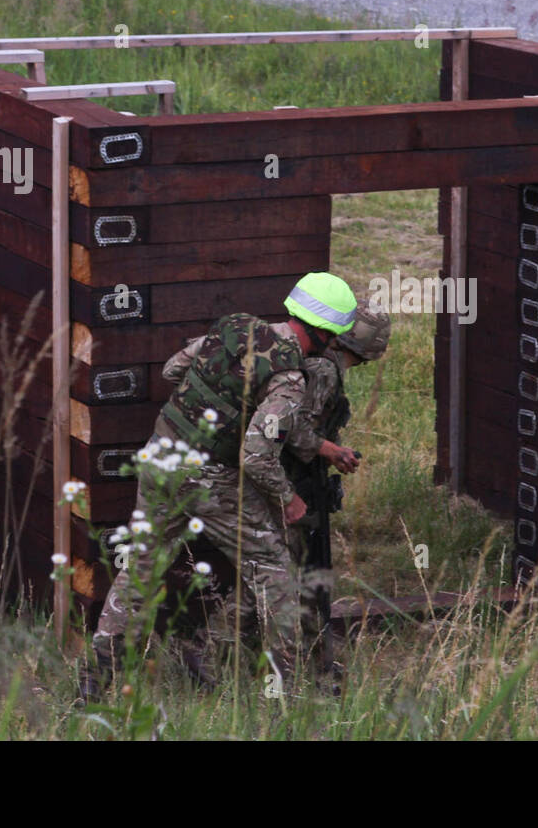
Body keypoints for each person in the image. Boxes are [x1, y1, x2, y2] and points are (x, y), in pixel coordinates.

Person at [84, 272, 357, 699]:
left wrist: (221, 404)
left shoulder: (236, 326)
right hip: (210, 478)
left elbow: (174, 369)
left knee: (140, 569)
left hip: (160, 457)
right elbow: (256, 456)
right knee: (275, 573)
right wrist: (288, 500)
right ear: (325, 334)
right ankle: (288, 691)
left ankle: (94, 683)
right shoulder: (289, 379)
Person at [281, 297, 392, 651]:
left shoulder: (319, 360)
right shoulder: (325, 371)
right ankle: (309, 647)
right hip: (290, 480)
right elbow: (291, 430)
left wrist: (330, 449)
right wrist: (330, 450)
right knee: (301, 566)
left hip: (293, 475)